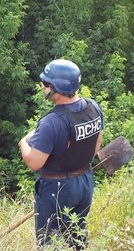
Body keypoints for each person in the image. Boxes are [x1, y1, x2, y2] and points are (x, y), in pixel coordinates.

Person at [19, 59, 104, 250]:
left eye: (46, 84)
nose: (43, 87)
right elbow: (96, 146)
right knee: (77, 238)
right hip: (84, 183)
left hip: (56, 189)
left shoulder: (52, 121)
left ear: (56, 88)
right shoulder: (94, 108)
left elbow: (34, 162)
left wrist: (23, 142)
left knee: (49, 243)